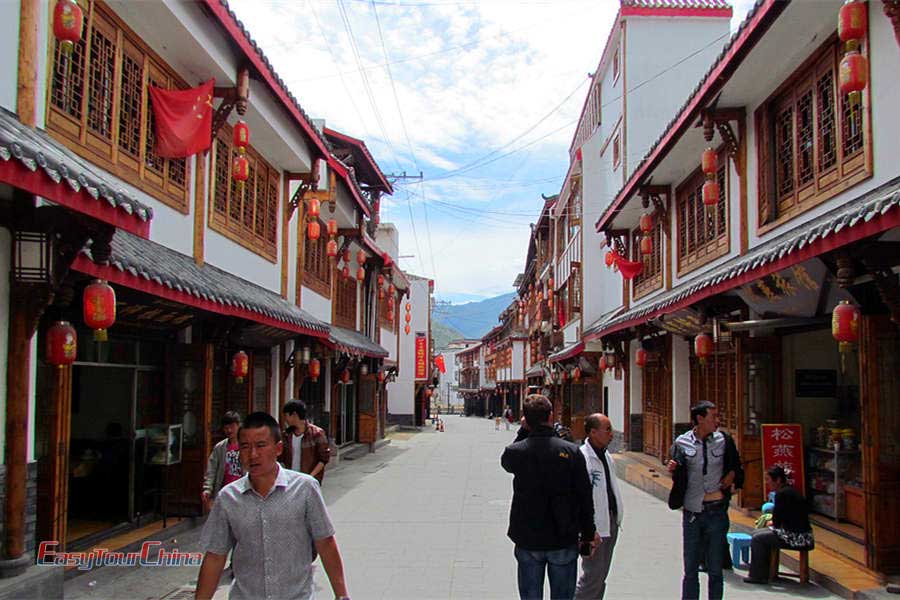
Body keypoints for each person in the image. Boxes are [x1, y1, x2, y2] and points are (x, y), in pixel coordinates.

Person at [195, 412, 349, 600]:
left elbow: (325, 542)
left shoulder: (305, 489)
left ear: (278, 449)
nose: (253, 454)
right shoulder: (228, 498)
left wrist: (342, 596)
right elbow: (215, 557)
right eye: (245, 447)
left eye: (261, 445)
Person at [501, 394, 599, 600]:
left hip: (527, 536)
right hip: (562, 536)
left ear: (525, 420)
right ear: (551, 416)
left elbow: (507, 462)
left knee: (530, 596)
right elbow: (584, 496)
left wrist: (523, 431)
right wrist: (588, 533)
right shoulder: (571, 451)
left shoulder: (516, 452)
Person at [667, 401, 743, 600]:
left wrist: (732, 475)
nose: (717, 421)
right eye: (713, 417)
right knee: (691, 568)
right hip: (693, 512)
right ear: (700, 419)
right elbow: (677, 471)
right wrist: (674, 468)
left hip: (717, 510)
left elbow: (736, 465)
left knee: (715, 569)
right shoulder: (681, 443)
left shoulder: (724, 440)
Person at [575, 413, 624, 600]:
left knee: (601, 575)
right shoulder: (583, 458)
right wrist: (586, 529)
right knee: (592, 577)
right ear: (593, 432)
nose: (611, 434)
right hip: (594, 527)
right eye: (608, 429)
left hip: (611, 521)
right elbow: (579, 497)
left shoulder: (606, 456)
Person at [743, 466, 814, 585]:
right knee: (757, 533)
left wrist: (771, 522)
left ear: (778, 480)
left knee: (758, 538)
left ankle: (758, 575)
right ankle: (765, 571)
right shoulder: (790, 491)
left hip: (797, 537)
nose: (767, 483)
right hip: (802, 534)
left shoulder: (782, 494)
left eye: (769, 480)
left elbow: (777, 520)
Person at [280, 400, 330, 484]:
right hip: (290, 480)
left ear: (294, 415)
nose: (285, 419)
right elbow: (281, 457)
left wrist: (310, 477)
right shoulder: (286, 435)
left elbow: (323, 459)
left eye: (287, 415)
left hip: (309, 480)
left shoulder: (317, 433)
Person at [201, 411, 242, 512]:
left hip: (242, 491)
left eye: (232, 426)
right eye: (226, 428)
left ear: (238, 425)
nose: (229, 430)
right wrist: (207, 488)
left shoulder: (246, 445)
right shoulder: (220, 447)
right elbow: (212, 469)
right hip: (224, 491)